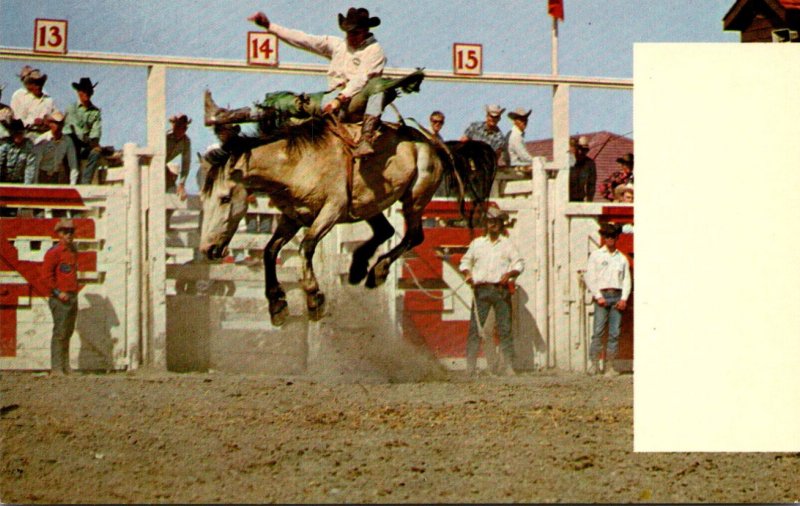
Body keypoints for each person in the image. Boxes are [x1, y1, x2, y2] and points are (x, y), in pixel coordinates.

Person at [206, 7, 387, 157]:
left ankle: (366, 138)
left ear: (365, 31)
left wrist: (339, 99)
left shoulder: (374, 51)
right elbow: (304, 40)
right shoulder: (339, 45)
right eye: (347, 32)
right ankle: (222, 117)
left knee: (377, 86)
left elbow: (360, 79)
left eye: (355, 32)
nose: (350, 37)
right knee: (283, 103)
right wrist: (270, 26)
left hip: (355, 101)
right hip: (331, 97)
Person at [459, 207, 524, 376]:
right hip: (481, 291)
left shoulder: (507, 244)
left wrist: (510, 274)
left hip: (500, 290)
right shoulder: (477, 244)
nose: (493, 225)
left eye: (496, 222)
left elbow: (519, 264)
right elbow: (465, 262)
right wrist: (468, 274)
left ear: (501, 224)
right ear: (486, 224)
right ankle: (470, 367)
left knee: (504, 328)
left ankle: (508, 366)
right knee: (475, 329)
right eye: (489, 221)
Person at [584, 222, 632, 377]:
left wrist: (624, 298)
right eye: (607, 236)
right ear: (603, 237)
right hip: (602, 297)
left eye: (612, 236)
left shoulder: (621, 258)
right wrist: (598, 296)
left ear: (616, 238)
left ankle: (609, 366)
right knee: (598, 332)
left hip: (617, 296)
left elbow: (626, 280)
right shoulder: (596, 255)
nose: (609, 239)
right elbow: (590, 277)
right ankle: (593, 365)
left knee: (614, 333)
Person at [41, 218, 81, 376]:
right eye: (65, 232)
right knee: (60, 332)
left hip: (72, 296)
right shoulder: (54, 252)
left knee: (68, 332)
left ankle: (65, 366)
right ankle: (56, 368)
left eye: (71, 231)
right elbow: (45, 276)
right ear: (59, 234)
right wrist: (58, 292)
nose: (69, 235)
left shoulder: (73, 251)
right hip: (60, 298)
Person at [64, 77, 102, 184]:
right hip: (71, 142)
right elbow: (75, 129)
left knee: (96, 152)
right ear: (79, 92)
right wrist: (91, 142)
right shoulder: (71, 108)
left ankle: (86, 182)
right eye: (84, 91)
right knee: (70, 143)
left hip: (86, 145)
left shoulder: (96, 112)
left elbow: (96, 131)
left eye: (89, 91)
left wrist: (94, 143)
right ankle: (71, 182)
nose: (87, 93)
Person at [9, 66, 56, 140]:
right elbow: (16, 120)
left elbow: (55, 119)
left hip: (44, 138)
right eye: (36, 83)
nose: (38, 86)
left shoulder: (49, 100)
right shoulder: (20, 96)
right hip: (26, 136)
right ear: (30, 84)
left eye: (40, 83)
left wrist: (45, 122)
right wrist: (33, 122)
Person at [34, 111, 79, 184]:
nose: (58, 126)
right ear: (50, 124)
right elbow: (35, 164)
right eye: (55, 123)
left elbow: (73, 164)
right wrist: (34, 185)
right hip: (41, 175)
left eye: (60, 123)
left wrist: (73, 184)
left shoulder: (68, 141)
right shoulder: (42, 140)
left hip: (55, 176)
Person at [0, 119, 38, 184]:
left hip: (19, 182)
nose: (18, 136)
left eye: (21, 133)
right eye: (16, 133)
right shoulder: (4, 145)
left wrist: (26, 188)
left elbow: (30, 168)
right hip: (3, 181)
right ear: (11, 133)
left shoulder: (29, 146)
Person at [166, 114, 192, 200]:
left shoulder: (186, 142)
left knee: (173, 193)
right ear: (174, 126)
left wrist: (181, 184)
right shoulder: (165, 137)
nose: (179, 129)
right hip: (153, 165)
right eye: (177, 126)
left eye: (183, 127)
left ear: (185, 129)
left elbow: (186, 164)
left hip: (163, 166)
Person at [568, 136, 596, 202]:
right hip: (564, 199)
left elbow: (591, 185)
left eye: (585, 150)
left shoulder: (590, 164)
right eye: (579, 149)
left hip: (579, 199)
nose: (581, 152)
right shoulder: (567, 162)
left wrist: (589, 201)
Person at [506, 107, 533, 173]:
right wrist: (536, 161)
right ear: (515, 121)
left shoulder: (515, 134)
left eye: (525, 119)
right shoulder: (515, 136)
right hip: (516, 167)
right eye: (521, 119)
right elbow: (524, 156)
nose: (524, 122)